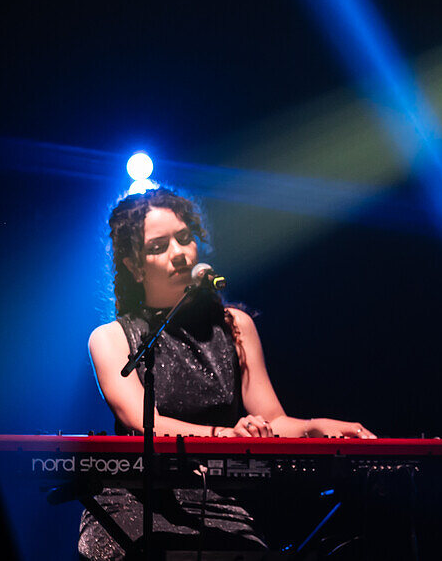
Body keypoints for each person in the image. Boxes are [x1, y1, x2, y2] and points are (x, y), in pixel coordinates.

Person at [79, 187, 375, 560]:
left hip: (220, 509)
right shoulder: (110, 338)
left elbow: (273, 421)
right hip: (135, 509)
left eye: (185, 239)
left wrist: (313, 428)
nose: (179, 255)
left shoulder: (237, 326)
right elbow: (141, 420)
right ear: (135, 266)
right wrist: (226, 436)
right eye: (158, 247)